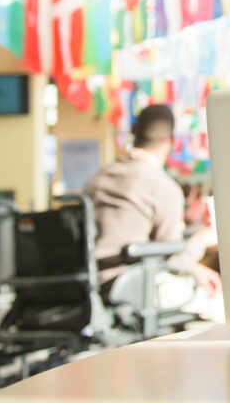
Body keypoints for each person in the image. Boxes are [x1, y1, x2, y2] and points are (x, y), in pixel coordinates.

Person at [85, 104, 221, 309]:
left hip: (87, 284)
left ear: (133, 133)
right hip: (128, 286)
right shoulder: (163, 187)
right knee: (213, 299)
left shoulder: (97, 179)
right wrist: (200, 241)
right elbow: (173, 260)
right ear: (172, 142)